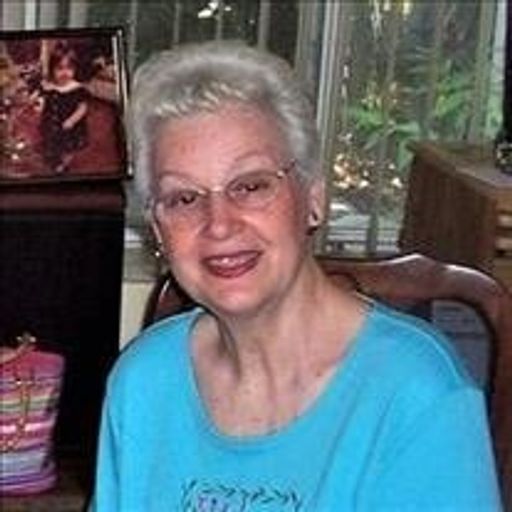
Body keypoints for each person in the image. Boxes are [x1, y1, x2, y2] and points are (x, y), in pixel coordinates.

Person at [90, 41, 501, 511]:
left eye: (251, 186)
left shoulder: (416, 393)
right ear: (158, 229)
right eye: (184, 198)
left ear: (314, 199)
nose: (219, 224)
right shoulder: (144, 380)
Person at [38, 42, 88, 173]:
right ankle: (54, 153)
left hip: (69, 124)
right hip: (52, 121)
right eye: (59, 68)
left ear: (75, 69)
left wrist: (72, 120)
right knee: (53, 141)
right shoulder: (50, 86)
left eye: (69, 68)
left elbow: (83, 107)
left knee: (68, 146)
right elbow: (44, 97)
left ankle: (64, 163)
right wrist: (40, 103)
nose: (65, 73)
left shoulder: (77, 88)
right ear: (52, 69)